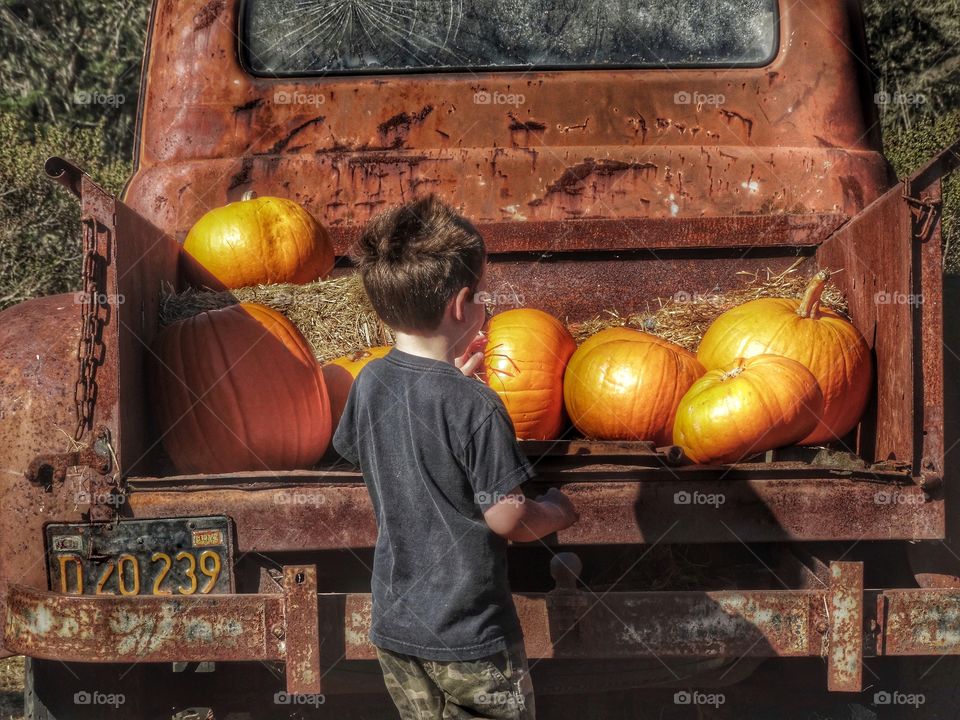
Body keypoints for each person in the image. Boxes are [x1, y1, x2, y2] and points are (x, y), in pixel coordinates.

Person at [332, 195, 579, 719]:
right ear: (463, 304)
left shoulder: (370, 381)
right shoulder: (478, 406)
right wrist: (558, 510)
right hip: (470, 638)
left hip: (396, 630)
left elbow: (360, 446)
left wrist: (443, 398)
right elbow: (506, 515)